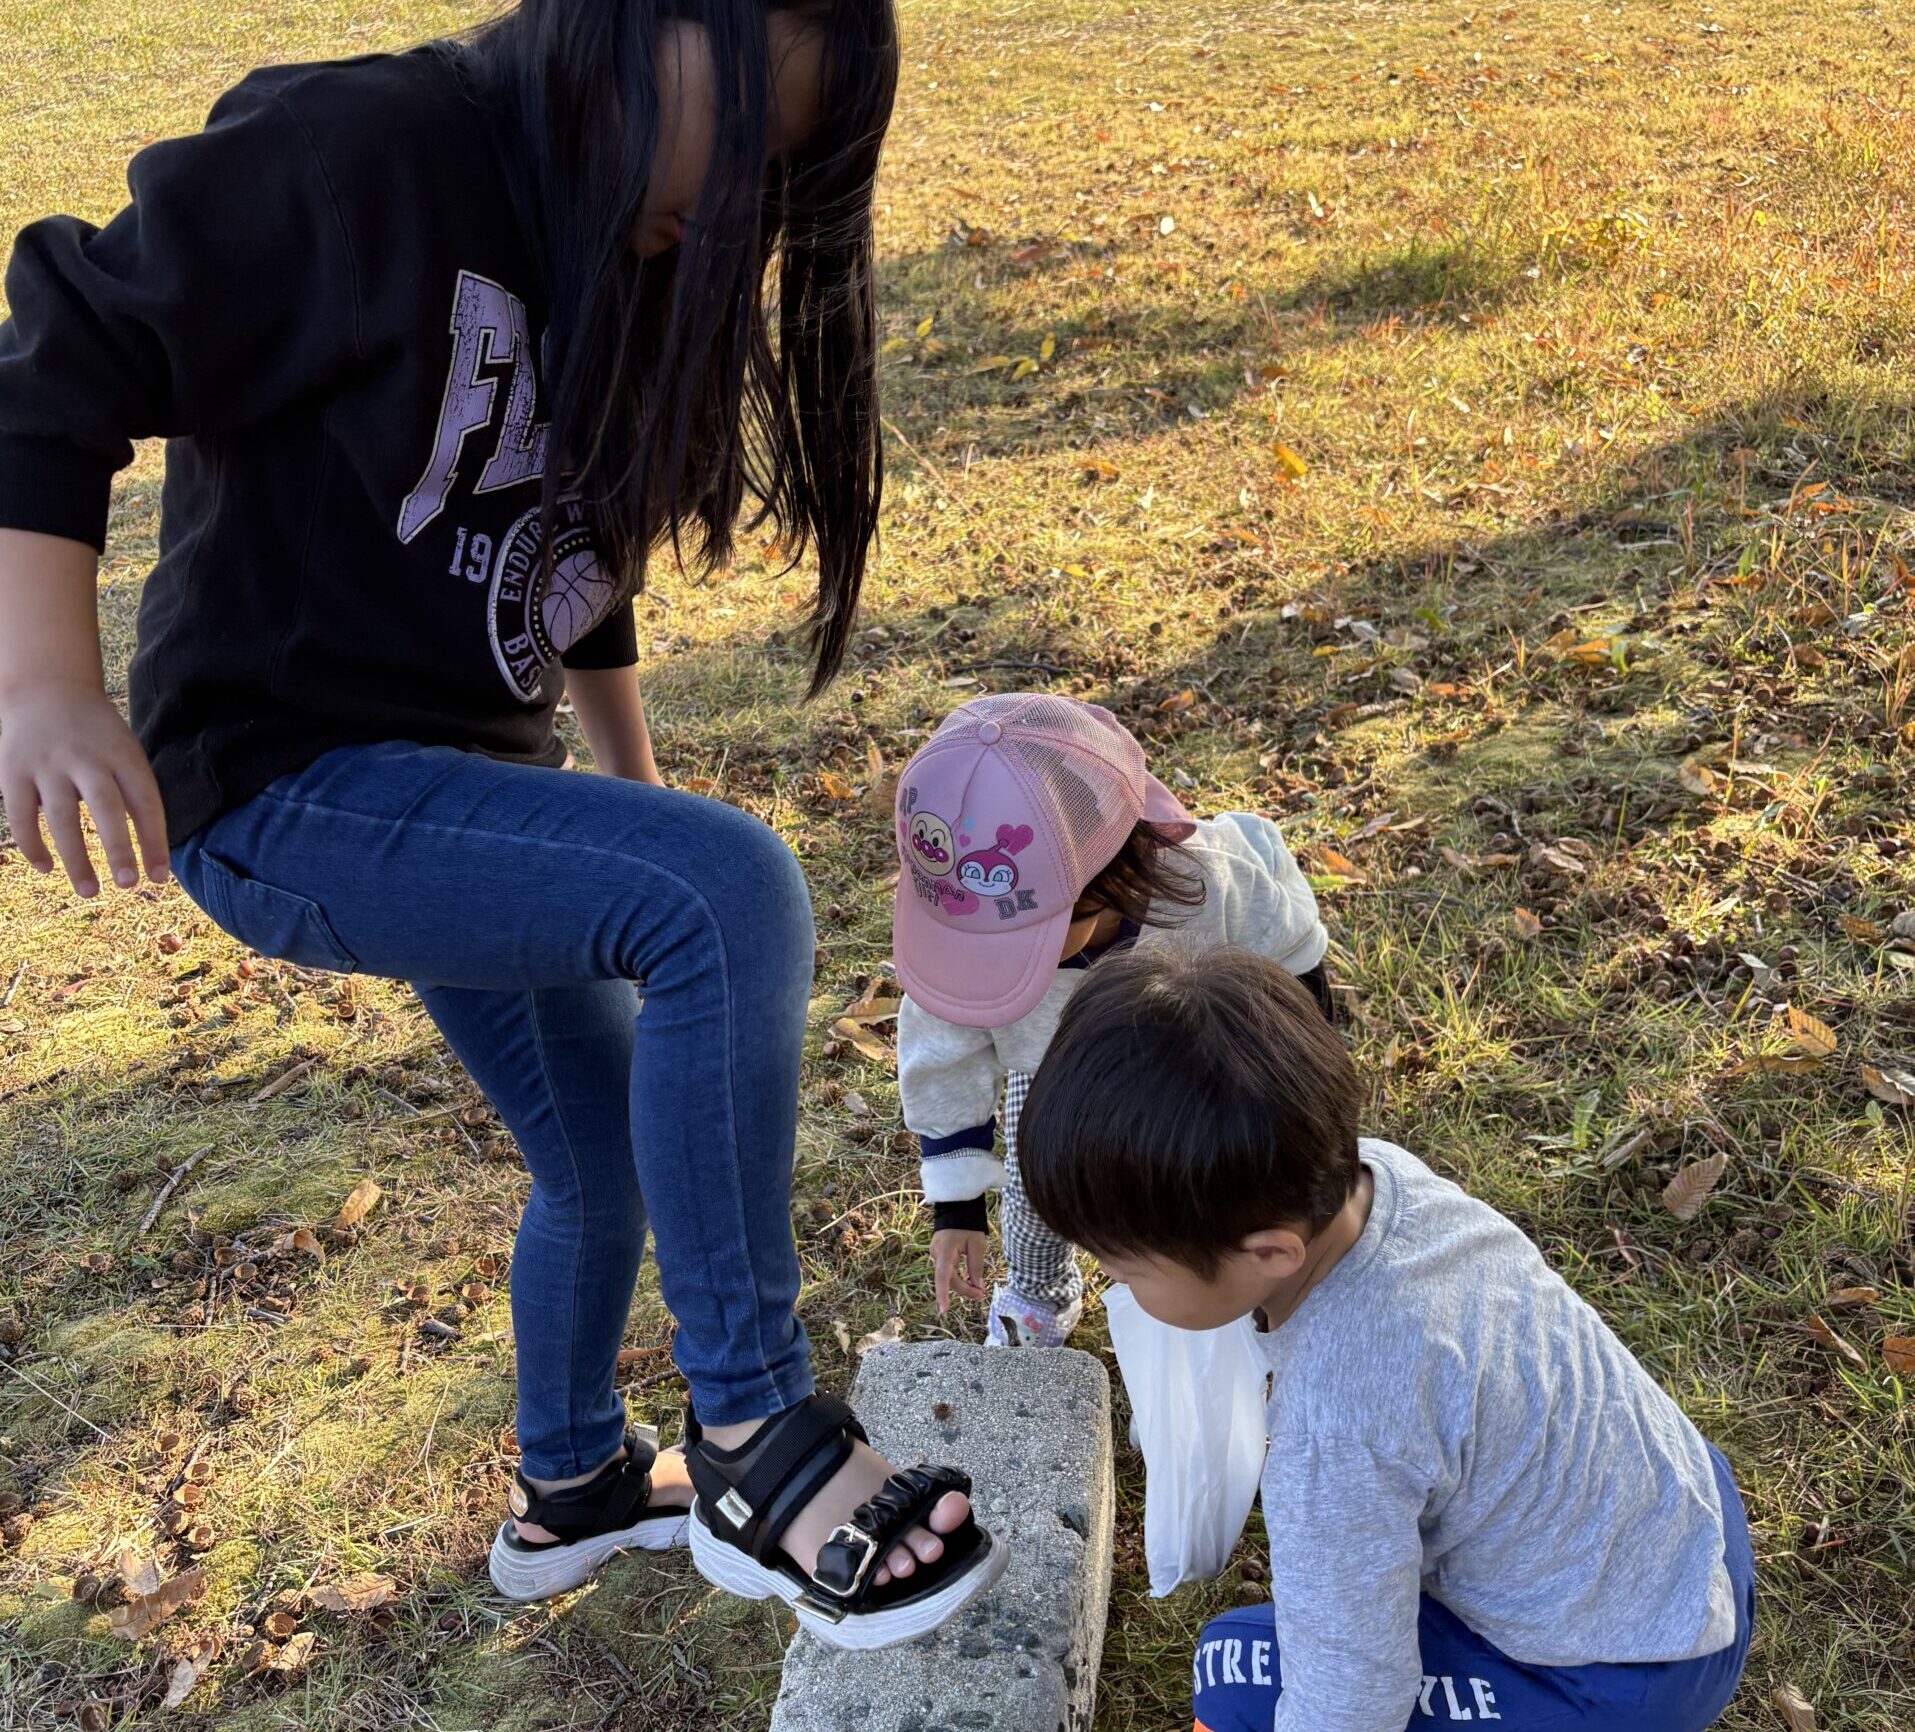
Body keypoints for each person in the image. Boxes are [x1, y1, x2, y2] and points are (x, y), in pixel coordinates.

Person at [0, 0, 1006, 1648]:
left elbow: (574, 562)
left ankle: (572, 1492)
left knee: (600, 1157)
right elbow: (62, 352)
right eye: (746, 133)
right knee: (731, 892)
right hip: (280, 782)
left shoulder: (627, 238)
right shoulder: (368, 153)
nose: (754, 196)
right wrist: (40, 683)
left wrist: (634, 788)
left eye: (791, 167)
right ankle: (753, 1430)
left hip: (473, 794)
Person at [1017, 949, 1755, 1731]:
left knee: (1234, 1668)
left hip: (1618, 1676)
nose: (1113, 1287)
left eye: (1128, 1272)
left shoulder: (1336, 1429)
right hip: (1692, 1526)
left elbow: (1350, 1697)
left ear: (1270, 1253)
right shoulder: (1380, 1178)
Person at [890, 692, 1329, 1345]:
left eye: (1017, 941)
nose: (986, 962)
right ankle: (1038, 1295)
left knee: (1194, 1184)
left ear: (1113, 876)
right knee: (1041, 1185)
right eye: (971, 942)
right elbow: (941, 1055)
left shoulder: (1211, 886)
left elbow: (1290, 960)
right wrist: (956, 1204)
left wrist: (1294, 1076)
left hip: (1192, 1061)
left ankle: (1210, 1288)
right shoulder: (963, 947)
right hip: (1050, 1072)